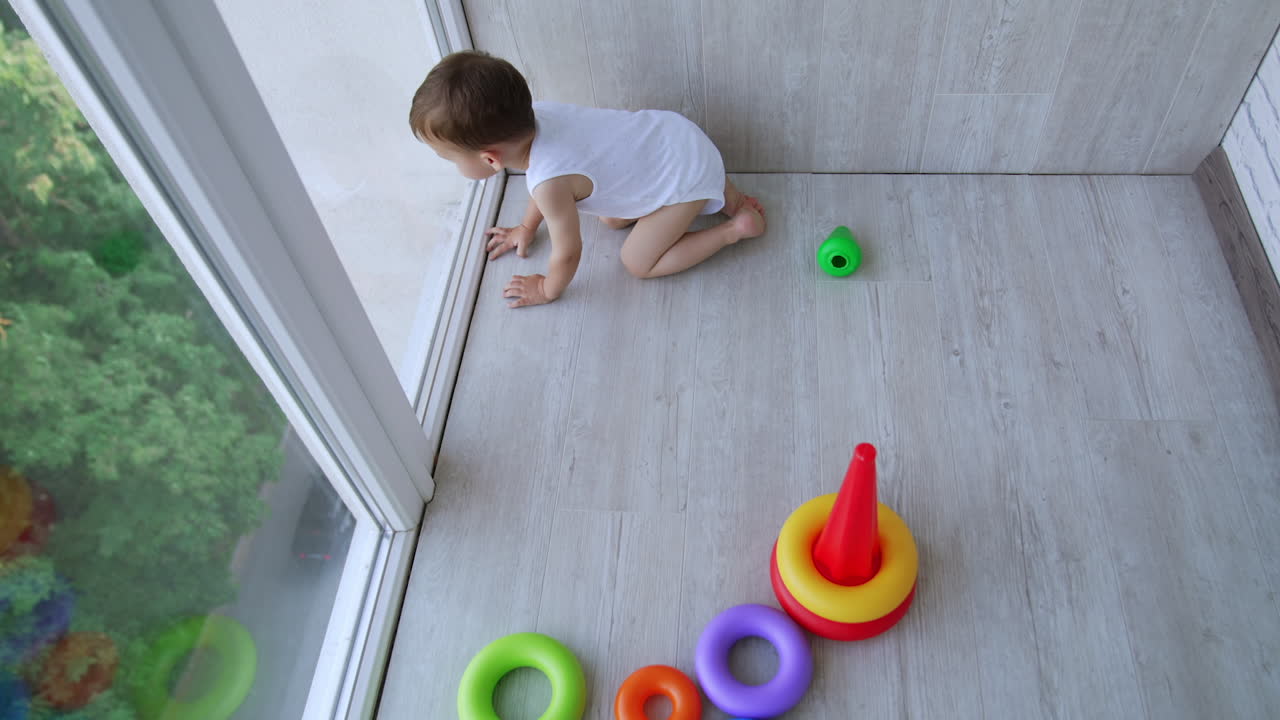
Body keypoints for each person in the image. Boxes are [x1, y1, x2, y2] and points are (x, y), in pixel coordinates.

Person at [409, 51, 766, 308]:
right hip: (674, 136)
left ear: (490, 158)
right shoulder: (539, 117)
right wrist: (526, 227)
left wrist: (548, 289)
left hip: (683, 174)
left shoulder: (549, 183)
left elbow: (568, 252)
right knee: (611, 219)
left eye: (449, 158)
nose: (450, 164)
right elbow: (546, 180)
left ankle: (733, 229)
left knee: (637, 263)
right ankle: (731, 197)